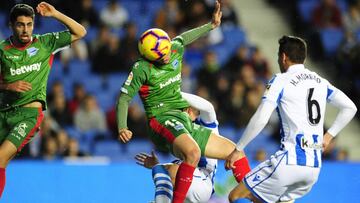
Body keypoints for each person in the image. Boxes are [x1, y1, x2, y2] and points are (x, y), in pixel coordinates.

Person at [117, 1, 250, 202]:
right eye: (163, 55)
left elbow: (184, 38)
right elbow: (124, 98)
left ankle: (256, 197)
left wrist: (211, 26)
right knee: (193, 153)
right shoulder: (141, 69)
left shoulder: (174, 48)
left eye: (169, 49)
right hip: (161, 118)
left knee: (236, 153)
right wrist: (122, 127)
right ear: (152, 58)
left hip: (181, 119)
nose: (169, 54)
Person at [226, 36, 357, 203]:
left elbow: (261, 118)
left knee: (237, 196)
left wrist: (239, 149)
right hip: (313, 168)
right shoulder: (320, 81)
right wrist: (329, 136)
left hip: (289, 161)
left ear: (283, 57)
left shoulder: (280, 80)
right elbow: (350, 107)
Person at [0, 2, 86, 197]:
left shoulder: (45, 43)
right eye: (20, 25)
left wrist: (55, 14)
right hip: (4, 111)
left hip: (28, 115)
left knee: (0, 159)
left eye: (30, 24)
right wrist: (7, 86)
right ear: (11, 25)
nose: (26, 30)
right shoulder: (2, 50)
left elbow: (80, 32)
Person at [135, 92, 219, 203]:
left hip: (203, 181)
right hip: (191, 183)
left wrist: (172, 91)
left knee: (165, 169)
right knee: (162, 170)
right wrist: (156, 164)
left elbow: (208, 108)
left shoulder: (206, 125)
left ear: (188, 110)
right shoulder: (178, 130)